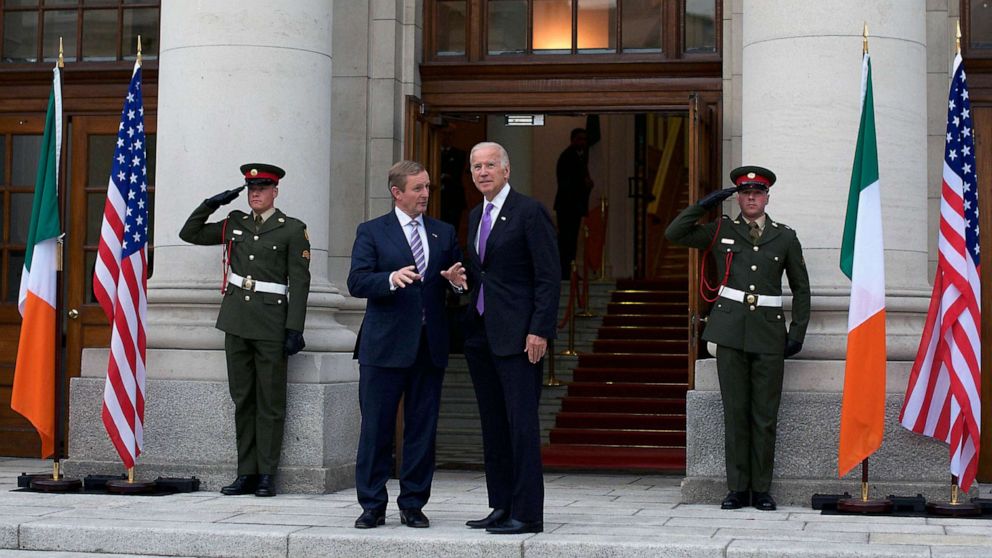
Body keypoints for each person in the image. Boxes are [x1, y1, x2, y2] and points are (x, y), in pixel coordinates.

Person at [664, 165, 810, 512]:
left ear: (767, 197)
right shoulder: (720, 230)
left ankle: (761, 489)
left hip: (769, 335)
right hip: (730, 333)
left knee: (764, 415)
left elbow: (801, 289)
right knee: (735, 413)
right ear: (738, 198)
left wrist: (797, 332)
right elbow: (675, 233)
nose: (751, 199)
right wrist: (703, 205)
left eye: (757, 193)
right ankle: (736, 489)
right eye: (745, 194)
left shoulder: (785, 236)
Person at [179, 163, 311, 498]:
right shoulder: (234, 223)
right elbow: (189, 233)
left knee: (270, 402)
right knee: (244, 400)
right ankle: (246, 473)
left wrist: (294, 327)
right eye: (251, 189)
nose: (256, 194)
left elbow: (300, 280)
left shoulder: (292, 229)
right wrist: (212, 203)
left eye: (262, 189)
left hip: (270, 324)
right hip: (236, 321)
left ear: (275, 192)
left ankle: (267, 474)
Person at [347, 160, 466, 529]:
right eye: (418, 188)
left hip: (429, 346)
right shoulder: (372, 232)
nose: (425, 194)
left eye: (428, 187)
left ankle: (413, 502)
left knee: (422, 429)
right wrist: (390, 278)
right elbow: (357, 282)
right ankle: (372, 504)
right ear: (397, 192)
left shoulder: (443, 233)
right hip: (383, 348)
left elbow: (458, 282)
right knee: (376, 428)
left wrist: (456, 282)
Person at [462, 142, 560, 534]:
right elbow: (483, 275)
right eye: (476, 167)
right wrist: (458, 284)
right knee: (493, 425)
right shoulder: (474, 215)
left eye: (490, 165)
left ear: (506, 170)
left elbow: (548, 277)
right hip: (482, 335)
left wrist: (540, 329)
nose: (482, 172)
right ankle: (500, 504)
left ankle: (528, 513)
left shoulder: (529, 211)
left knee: (520, 426)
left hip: (520, 337)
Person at [553, 128, 594, 279]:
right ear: (573, 140)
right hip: (567, 207)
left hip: (574, 208)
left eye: (584, 139)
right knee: (566, 241)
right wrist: (584, 184)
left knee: (571, 242)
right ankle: (564, 273)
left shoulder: (580, 157)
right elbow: (567, 183)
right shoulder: (568, 157)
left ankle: (569, 272)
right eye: (580, 139)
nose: (583, 142)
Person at [439, 128, 468, 230]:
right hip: (437, 197)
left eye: (450, 134)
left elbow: (456, 172)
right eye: (444, 134)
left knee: (453, 226)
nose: (447, 137)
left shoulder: (459, 154)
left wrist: (444, 175)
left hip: (454, 197)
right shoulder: (432, 151)